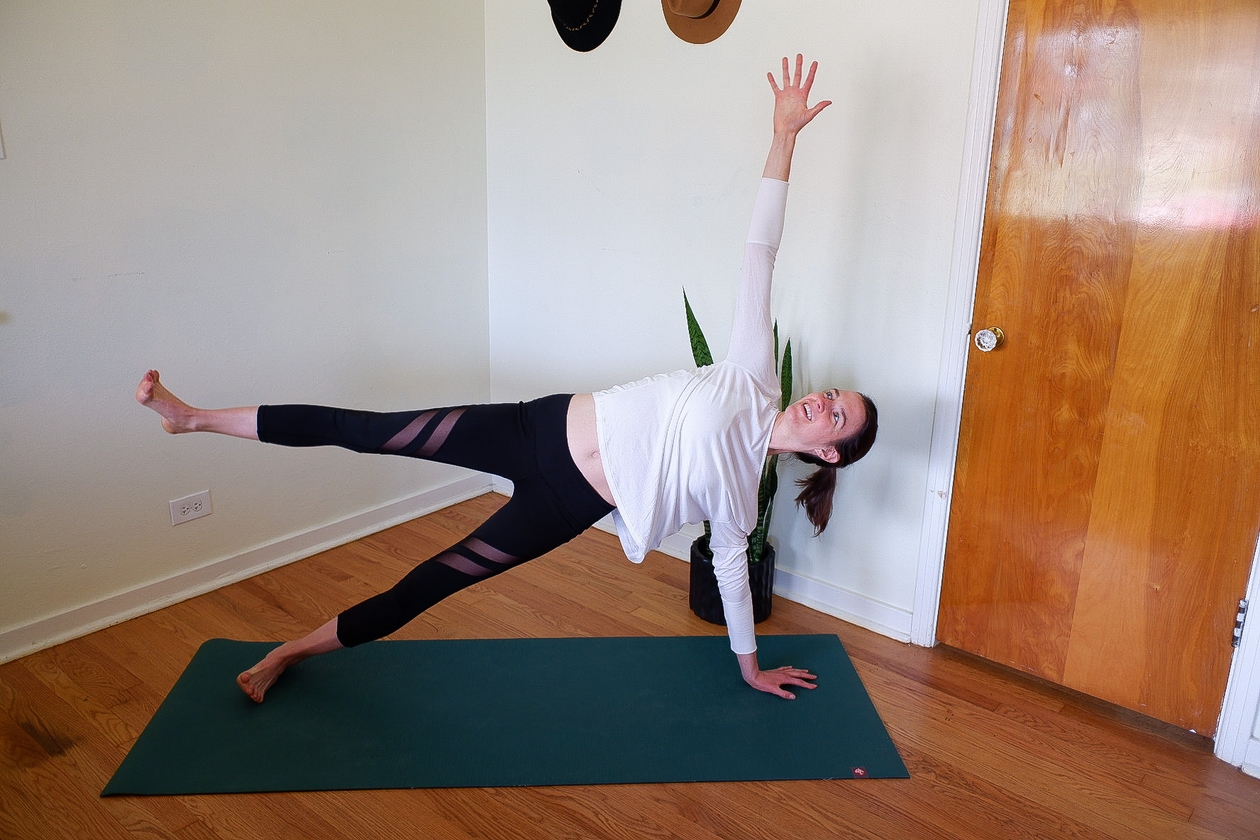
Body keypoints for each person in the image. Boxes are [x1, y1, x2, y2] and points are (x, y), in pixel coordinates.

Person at [136, 55, 877, 703]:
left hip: (566, 502)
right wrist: (782, 139)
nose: (823, 401)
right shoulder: (753, 374)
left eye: (835, 418)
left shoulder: (743, 498)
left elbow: (733, 577)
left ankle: (287, 654)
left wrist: (749, 670)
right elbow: (759, 251)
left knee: (432, 583)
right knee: (364, 431)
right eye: (834, 395)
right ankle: (192, 418)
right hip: (536, 427)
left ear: (829, 454)